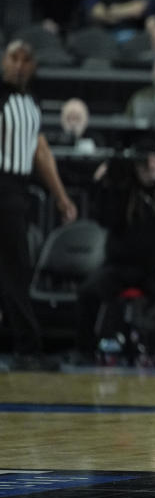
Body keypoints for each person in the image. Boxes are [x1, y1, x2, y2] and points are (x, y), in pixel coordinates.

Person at [0, 40, 77, 367]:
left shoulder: (31, 102)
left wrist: (61, 198)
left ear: (33, 66)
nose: (19, 64)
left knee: (16, 269)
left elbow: (40, 152)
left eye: (26, 59)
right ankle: (27, 348)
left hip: (15, 192)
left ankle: (26, 348)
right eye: (13, 58)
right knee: (14, 269)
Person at [77, 141, 155, 363]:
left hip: (153, 269)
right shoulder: (123, 191)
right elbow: (103, 218)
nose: (151, 166)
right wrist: (102, 185)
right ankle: (84, 350)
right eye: (146, 162)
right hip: (119, 267)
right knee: (87, 291)